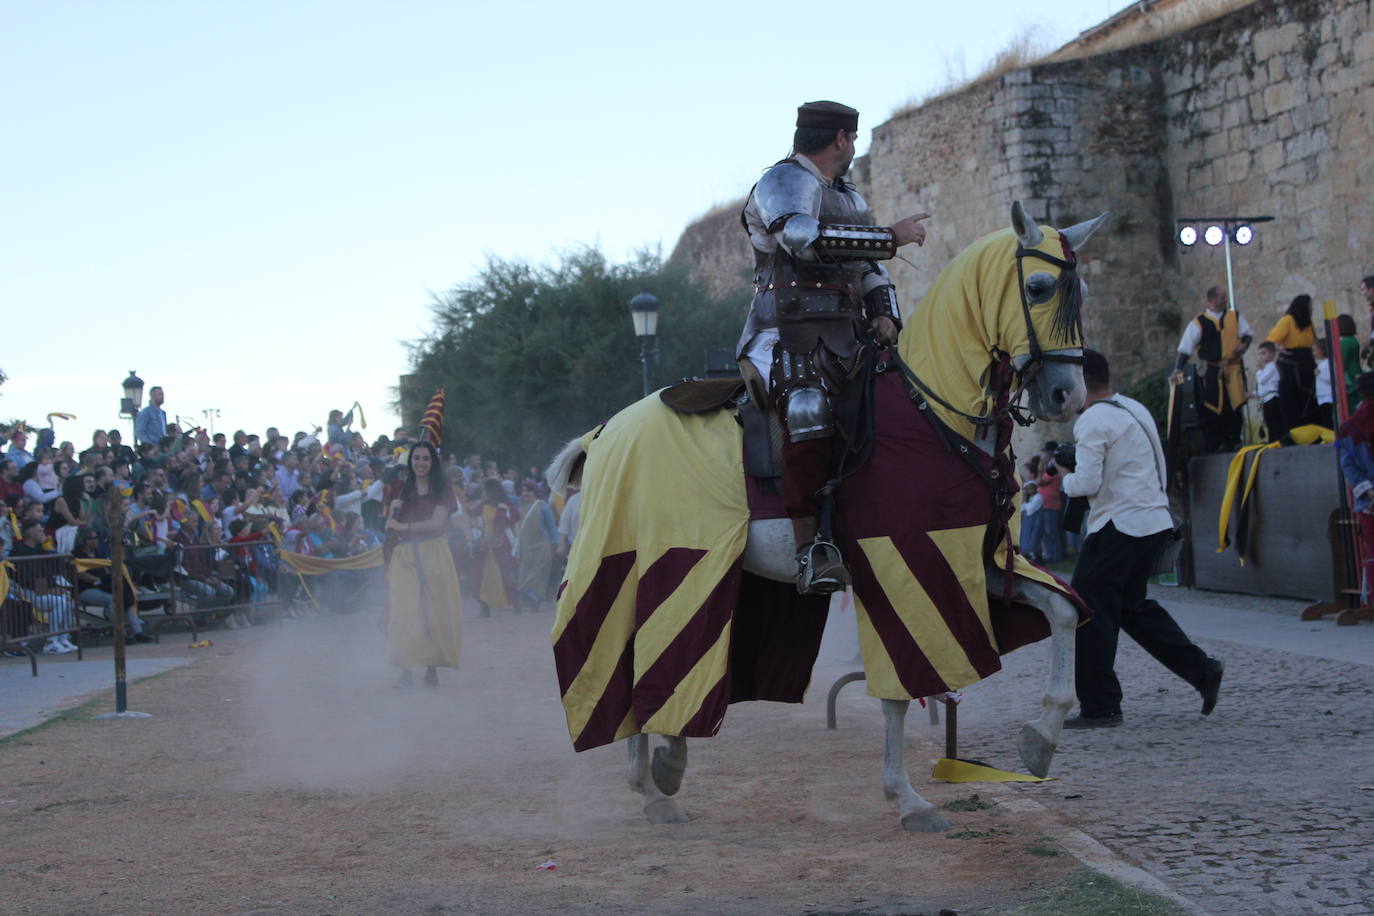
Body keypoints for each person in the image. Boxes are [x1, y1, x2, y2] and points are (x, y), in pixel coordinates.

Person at [736, 100, 930, 594]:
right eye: (853, 140)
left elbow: (868, 268)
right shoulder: (781, 182)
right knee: (807, 407)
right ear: (842, 138)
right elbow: (802, 241)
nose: (853, 149)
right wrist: (892, 236)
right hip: (785, 330)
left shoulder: (848, 198)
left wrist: (886, 311)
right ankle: (809, 551)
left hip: (849, 329)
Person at [1061, 349, 1224, 728]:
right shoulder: (1133, 408)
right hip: (1150, 521)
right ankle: (1202, 670)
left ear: (1082, 382)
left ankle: (1100, 706)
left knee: (1087, 610)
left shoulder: (1092, 421)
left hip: (1119, 525)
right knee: (1134, 609)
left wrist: (1062, 475)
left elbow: (1086, 484)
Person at [383, 441, 462, 688]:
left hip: (433, 552)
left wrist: (401, 526)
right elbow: (388, 527)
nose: (420, 463)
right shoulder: (399, 489)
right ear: (410, 461)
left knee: (433, 610)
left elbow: (437, 523)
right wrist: (392, 512)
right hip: (404, 555)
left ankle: (431, 668)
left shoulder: (442, 488)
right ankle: (406, 671)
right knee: (405, 611)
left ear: (432, 462)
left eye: (425, 459)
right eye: (416, 458)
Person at [1171, 285, 1252, 452]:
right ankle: (1217, 444)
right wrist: (1178, 368)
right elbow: (1186, 347)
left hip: (1233, 369)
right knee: (1213, 406)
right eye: (1222, 297)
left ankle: (1235, 440)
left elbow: (1248, 334)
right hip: (1212, 371)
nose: (1225, 300)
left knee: (1235, 405)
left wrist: (1243, 345)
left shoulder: (1234, 317)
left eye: (1225, 297)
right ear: (1212, 300)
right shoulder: (1199, 322)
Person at [1336, 372, 1374, 594]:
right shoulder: (1351, 428)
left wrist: (1368, 492)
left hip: (1368, 498)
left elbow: (1348, 464)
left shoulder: (1349, 427)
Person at [1267, 294, 1318, 431]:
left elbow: (1313, 341)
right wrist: (1279, 347)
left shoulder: (1308, 323)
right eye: (1309, 305)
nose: (1311, 308)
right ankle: (1293, 430)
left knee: (1308, 396)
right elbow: (1272, 339)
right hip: (1291, 363)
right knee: (1292, 398)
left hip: (1306, 361)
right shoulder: (1287, 320)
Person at [474, 476, 516, 617]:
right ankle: (484, 606)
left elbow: (514, 517)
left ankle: (515, 602)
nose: (483, 493)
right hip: (484, 547)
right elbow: (470, 513)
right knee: (480, 577)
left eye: (484, 491)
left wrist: (499, 534)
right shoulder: (482, 505)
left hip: (500, 546)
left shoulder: (502, 505)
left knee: (505, 576)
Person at [514, 482, 557, 612]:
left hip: (541, 549)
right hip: (525, 548)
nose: (525, 493)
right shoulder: (519, 505)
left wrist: (556, 545)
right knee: (524, 575)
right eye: (523, 491)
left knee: (536, 577)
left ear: (535, 492)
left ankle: (532, 600)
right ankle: (534, 599)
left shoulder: (543, 506)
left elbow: (552, 528)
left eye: (529, 491)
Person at [1254, 341, 1283, 441]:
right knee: (1269, 422)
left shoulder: (1271, 366)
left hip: (1272, 397)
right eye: (1259, 354)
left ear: (1272, 354)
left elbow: (1261, 380)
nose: (1261, 356)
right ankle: (1272, 440)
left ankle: (1277, 440)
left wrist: (1259, 370)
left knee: (1274, 422)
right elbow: (1262, 387)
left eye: (1264, 353)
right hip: (1266, 398)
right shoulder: (1266, 368)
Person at [1313, 338, 1334, 429]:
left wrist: (1319, 374)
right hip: (1322, 397)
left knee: (1328, 420)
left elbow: (1331, 379)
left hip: (1328, 397)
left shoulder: (1328, 363)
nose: (1313, 353)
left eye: (1315, 350)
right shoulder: (1321, 364)